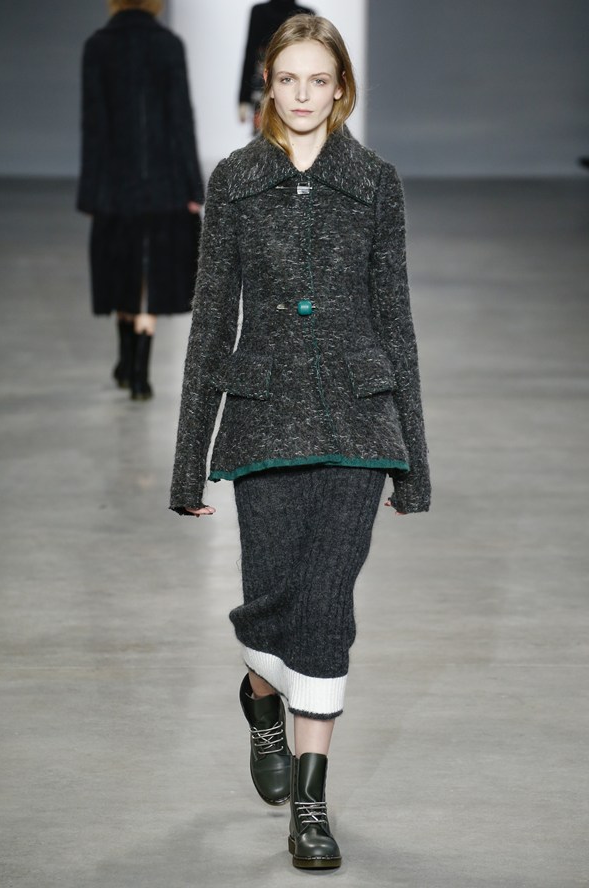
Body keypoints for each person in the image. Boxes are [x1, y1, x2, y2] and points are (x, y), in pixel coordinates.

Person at [171, 15, 430, 870]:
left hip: (359, 420)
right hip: (262, 418)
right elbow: (212, 322)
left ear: (341, 86)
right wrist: (188, 462)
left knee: (324, 604)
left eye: (320, 79)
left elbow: (396, 320)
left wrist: (414, 464)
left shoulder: (375, 182)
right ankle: (259, 693)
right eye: (289, 79)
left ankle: (311, 807)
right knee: (273, 597)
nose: (304, 95)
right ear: (268, 85)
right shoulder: (236, 180)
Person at [77, 0, 204, 401]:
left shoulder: (97, 46)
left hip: (115, 185)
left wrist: (91, 193)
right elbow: (181, 120)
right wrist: (193, 187)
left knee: (122, 267)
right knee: (152, 272)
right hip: (164, 185)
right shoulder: (168, 44)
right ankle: (140, 375)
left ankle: (126, 360)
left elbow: (93, 126)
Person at [238, 0, 314, 134]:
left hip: (297, 85)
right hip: (264, 86)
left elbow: (313, 60)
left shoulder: (306, 13)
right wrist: (244, 97)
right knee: (265, 138)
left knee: (295, 133)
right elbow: (250, 54)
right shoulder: (259, 12)